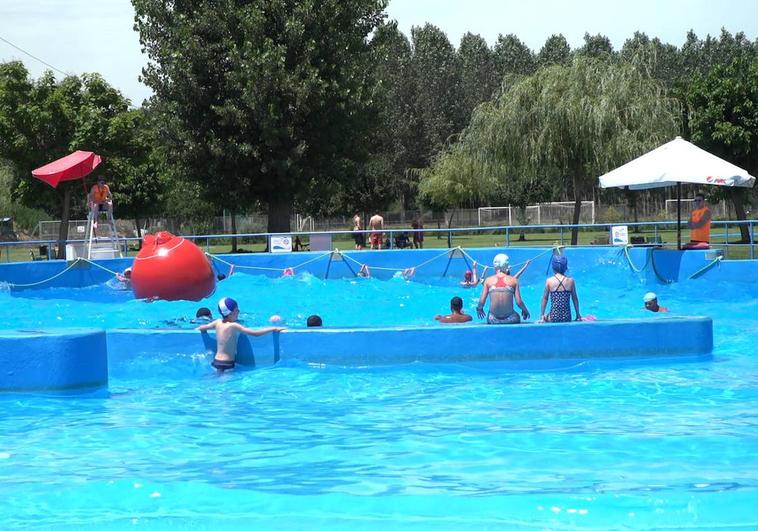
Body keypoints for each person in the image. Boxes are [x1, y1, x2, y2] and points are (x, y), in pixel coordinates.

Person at [196, 297, 285, 373]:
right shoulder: (234, 325)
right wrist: (273, 328)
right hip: (227, 363)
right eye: (237, 310)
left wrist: (197, 329)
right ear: (230, 313)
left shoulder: (217, 322)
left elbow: (203, 327)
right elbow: (255, 334)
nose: (239, 311)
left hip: (216, 361)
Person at [476, 254, 530, 324]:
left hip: (493, 319)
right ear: (506, 265)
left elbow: (481, 302)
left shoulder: (488, 281)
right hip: (510, 318)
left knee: (490, 315)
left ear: (494, 265)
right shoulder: (513, 280)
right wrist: (525, 310)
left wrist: (479, 309)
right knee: (517, 316)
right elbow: (519, 302)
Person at [539, 255, 581, 323]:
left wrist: (542, 315)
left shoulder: (549, 281)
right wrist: (578, 314)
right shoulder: (570, 281)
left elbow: (545, 298)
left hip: (553, 316)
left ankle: (545, 317)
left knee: (546, 316)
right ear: (565, 268)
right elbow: (575, 298)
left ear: (553, 268)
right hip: (567, 317)